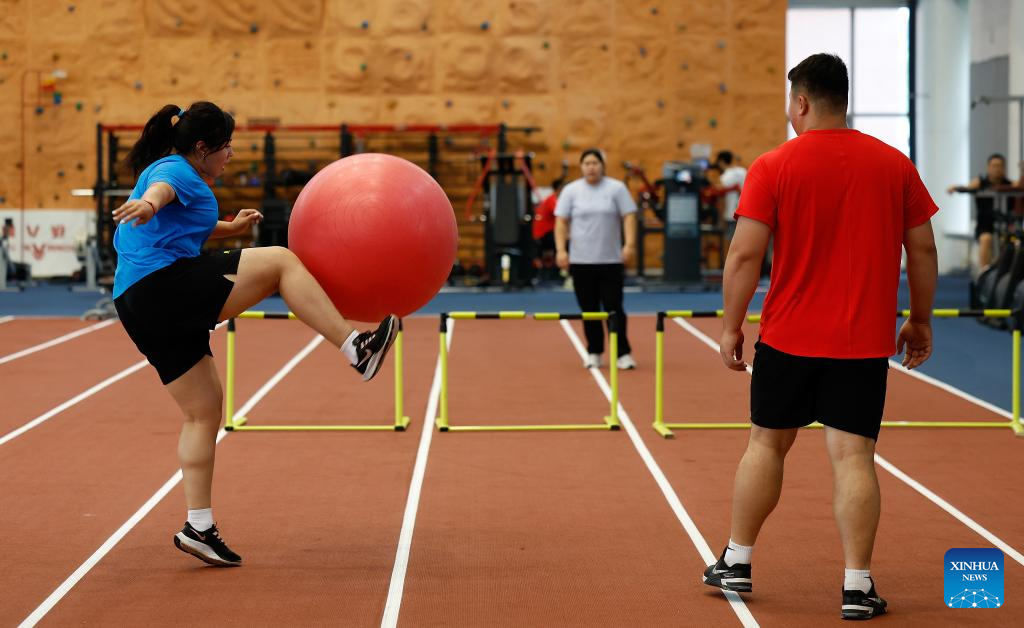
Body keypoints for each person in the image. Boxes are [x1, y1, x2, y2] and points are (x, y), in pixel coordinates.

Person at [112, 102, 398, 567]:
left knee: (204, 411)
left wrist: (232, 228)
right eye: (225, 147)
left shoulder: (179, 169)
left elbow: (182, 225)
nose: (230, 154)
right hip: (161, 287)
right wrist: (148, 203)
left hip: (136, 302)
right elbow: (163, 194)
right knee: (281, 261)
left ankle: (199, 527)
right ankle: (356, 347)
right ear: (201, 148)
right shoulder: (175, 171)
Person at [703, 54, 938, 621]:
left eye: (790, 102)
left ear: (801, 102)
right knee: (854, 456)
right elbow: (923, 249)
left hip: (788, 337)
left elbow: (744, 256)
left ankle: (737, 559)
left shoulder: (772, 165)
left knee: (766, 444)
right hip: (862, 344)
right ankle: (857, 585)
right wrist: (920, 318)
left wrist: (732, 325)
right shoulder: (895, 165)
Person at [554, 148, 638, 370]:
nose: (591, 167)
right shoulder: (571, 190)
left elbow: (629, 217)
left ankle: (622, 353)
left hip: (610, 260)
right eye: (587, 163)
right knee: (589, 309)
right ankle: (594, 351)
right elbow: (561, 222)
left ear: (602, 165)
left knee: (614, 308)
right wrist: (561, 250)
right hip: (581, 261)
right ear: (581, 167)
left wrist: (629, 245)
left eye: (595, 163)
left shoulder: (616, 188)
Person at [948, 154, 1011, 269]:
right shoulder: (980, 183)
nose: (997, 169)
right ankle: (984, 273)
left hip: (1005, 227)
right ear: (988, 167)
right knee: (986, 238)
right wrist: (956, 188)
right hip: (984, 226)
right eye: (994, 166)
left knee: (1011, 241)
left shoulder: (1010, 185)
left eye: (1000, 166)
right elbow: (966, 188)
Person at [533, 178, 563, 282]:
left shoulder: (554, 199)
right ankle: (559, 272)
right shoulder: (552, 199)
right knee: (563, 243)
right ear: (559, 189)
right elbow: (561, 214)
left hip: (547, 233)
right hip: (543, 234)